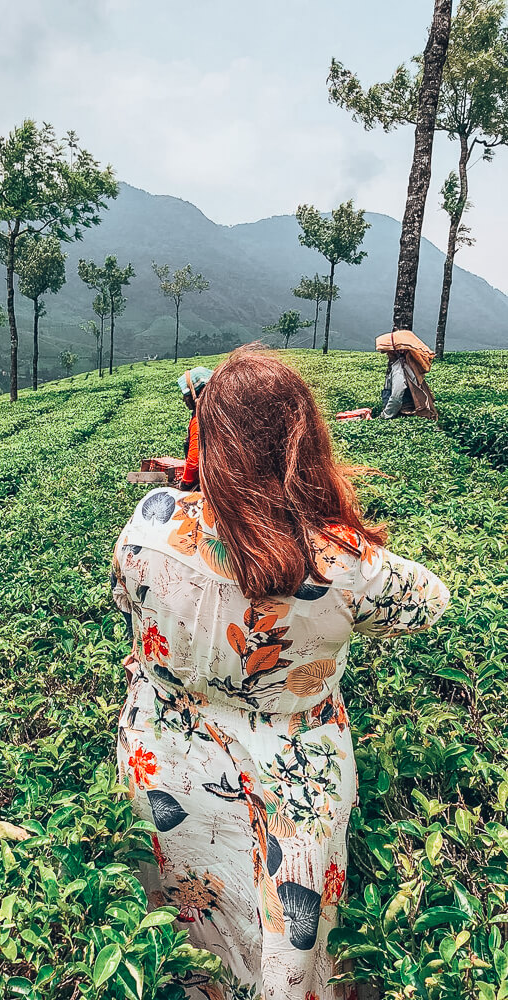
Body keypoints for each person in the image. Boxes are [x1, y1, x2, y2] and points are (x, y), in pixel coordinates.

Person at [111, 346, 449, 1000]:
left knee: (189, 923)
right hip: (291, 779)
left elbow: (127, 597)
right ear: (305, 441)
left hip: (168, 760)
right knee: (283, 939)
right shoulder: (341, 561)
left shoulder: (153, 521)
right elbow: (428, 602)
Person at [376, 331, 437, 420]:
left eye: (387, 352)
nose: (387, 355)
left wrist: (385, 415)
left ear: (396, 351)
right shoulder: (410, 364)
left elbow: (396, 397)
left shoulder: (399, 368)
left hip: (402, 413)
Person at [177, 367, 213, 490]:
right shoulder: (216, 410)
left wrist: (185, 483)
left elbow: (194, 461)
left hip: (207, 484)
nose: (184, 400)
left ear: (195, 394)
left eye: (186, 396)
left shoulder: (199, 418)